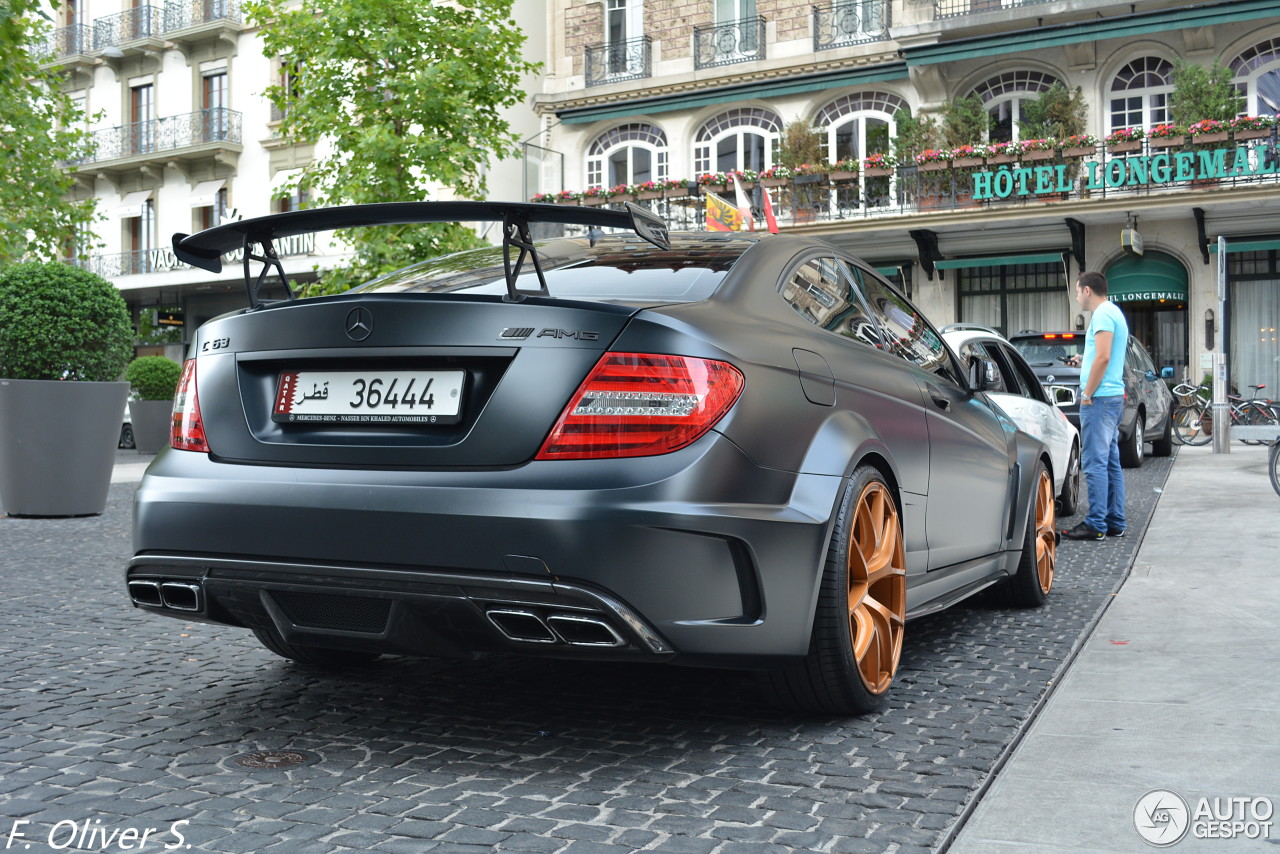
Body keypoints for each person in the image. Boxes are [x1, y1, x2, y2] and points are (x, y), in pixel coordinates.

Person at [1062, 271, 1129, 541]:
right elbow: (1100, 356)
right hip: (1112, 396)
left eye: (1078, 291)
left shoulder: (1101, 315)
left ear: (1087, 290)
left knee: (1094, 463)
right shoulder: (1114, 312)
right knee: (1111, 461)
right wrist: (1083, 359)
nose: (1077, 296)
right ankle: (1114, 521)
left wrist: (1087, 393)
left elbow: (1103, 357)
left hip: (1099, 398)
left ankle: (1096, 523)